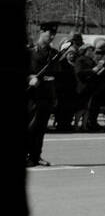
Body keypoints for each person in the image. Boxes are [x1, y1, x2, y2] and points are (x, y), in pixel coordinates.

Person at [27, 24, 61, 167]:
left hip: (46, 94)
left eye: (54, 34)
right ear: (41, 32)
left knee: (41, 128)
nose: (51, 36)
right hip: (31, 95)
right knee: (30, 127)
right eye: (49, 33)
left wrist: (54, 96)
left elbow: (56, 76)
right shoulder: (29, 52)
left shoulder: (54, 54)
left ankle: (36, 156)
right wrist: (29, 78)